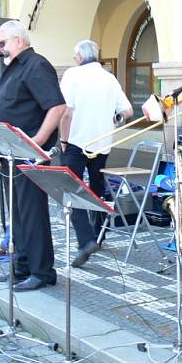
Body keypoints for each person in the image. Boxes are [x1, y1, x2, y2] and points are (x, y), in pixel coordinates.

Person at [0, 20, 66, 291]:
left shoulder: (36, 64)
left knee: (32, 213)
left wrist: (38, 143)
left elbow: (57, 107)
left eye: (2, 43)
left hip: (28, 154)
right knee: (17, 214)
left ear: (18, 41)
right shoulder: (13, 68)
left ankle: (41, 271)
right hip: (9, 154)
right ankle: (21, 267)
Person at [59, 39, 133, 267]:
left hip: (76, 142)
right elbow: (128, 111)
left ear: (79, 57)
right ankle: (100, 234)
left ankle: (86, 240)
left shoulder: (72, 75)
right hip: (102, 144)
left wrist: (63, 139)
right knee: (97, 189)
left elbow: (66, 112)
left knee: (71, 190)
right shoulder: (109, 78)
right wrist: (112, 120)